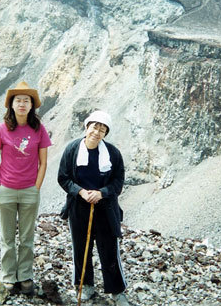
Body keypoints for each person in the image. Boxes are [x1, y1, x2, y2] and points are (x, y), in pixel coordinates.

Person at [58, 110, 130, 306]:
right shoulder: (72, 150)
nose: (97, 132)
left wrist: (102, 192)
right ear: (86, 127)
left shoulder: (113, 154)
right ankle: (85, 285)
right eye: (94, 127)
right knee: (81, 248)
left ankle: (116, 291)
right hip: (78, 207)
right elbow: (63, 178)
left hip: (105, 207)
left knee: (109, 249)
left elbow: (118, 181)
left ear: (106, 133)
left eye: (102, 129)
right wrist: (80, 191)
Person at [0, 81, 52, 295]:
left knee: (26, 237)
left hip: (29, 191)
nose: (22, 104)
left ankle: (25, 276)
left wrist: (36, 187)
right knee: (7, 237)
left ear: (32, 105)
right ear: (11, 105)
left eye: (26, 100)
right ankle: (8, 276)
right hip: (5, 189)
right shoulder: (1, 128)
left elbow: (43, 162)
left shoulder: (38, 129)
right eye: (18, 100)